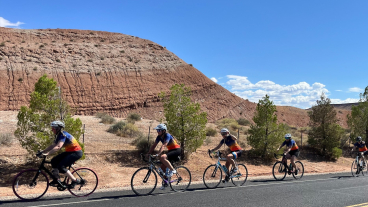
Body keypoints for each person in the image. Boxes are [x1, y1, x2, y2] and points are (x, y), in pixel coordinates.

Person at [37, 121, 83, 189]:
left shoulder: (62, 135)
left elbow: (58, 147)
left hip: (76, 153)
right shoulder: (59, 135)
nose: (51, 130)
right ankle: (56, 179)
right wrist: (43, 151)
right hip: (70, 152)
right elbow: (53, 145)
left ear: (57, 128)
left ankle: (75, 180)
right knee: (54, 161)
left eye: (53, 128)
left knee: (61, 167)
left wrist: (47, 154)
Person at [147, 124, 182, 189]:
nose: (157, 131)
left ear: (164, 131)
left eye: (159, 130)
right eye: (157, 130)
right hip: (171, 151)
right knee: (162, 168)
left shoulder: (167, 135)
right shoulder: (159, 137)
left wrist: (158, 154)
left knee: (162, 157)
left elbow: (164, 145)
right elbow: (154, 145)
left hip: (177, 150)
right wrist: (149, 153)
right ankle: (165, 183)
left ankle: (173, 170)